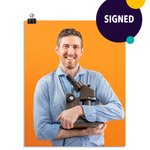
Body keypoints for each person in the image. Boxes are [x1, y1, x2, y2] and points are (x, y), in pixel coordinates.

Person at [34, 28, 124, 146]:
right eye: (65, 46)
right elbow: (41, 132)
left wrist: (80, 110)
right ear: (57, 49)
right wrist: (84, 132)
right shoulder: (44, 84)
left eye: (75, 47)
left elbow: (118, 111)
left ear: (82, 51)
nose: (70, 52)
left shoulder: (96, 78)